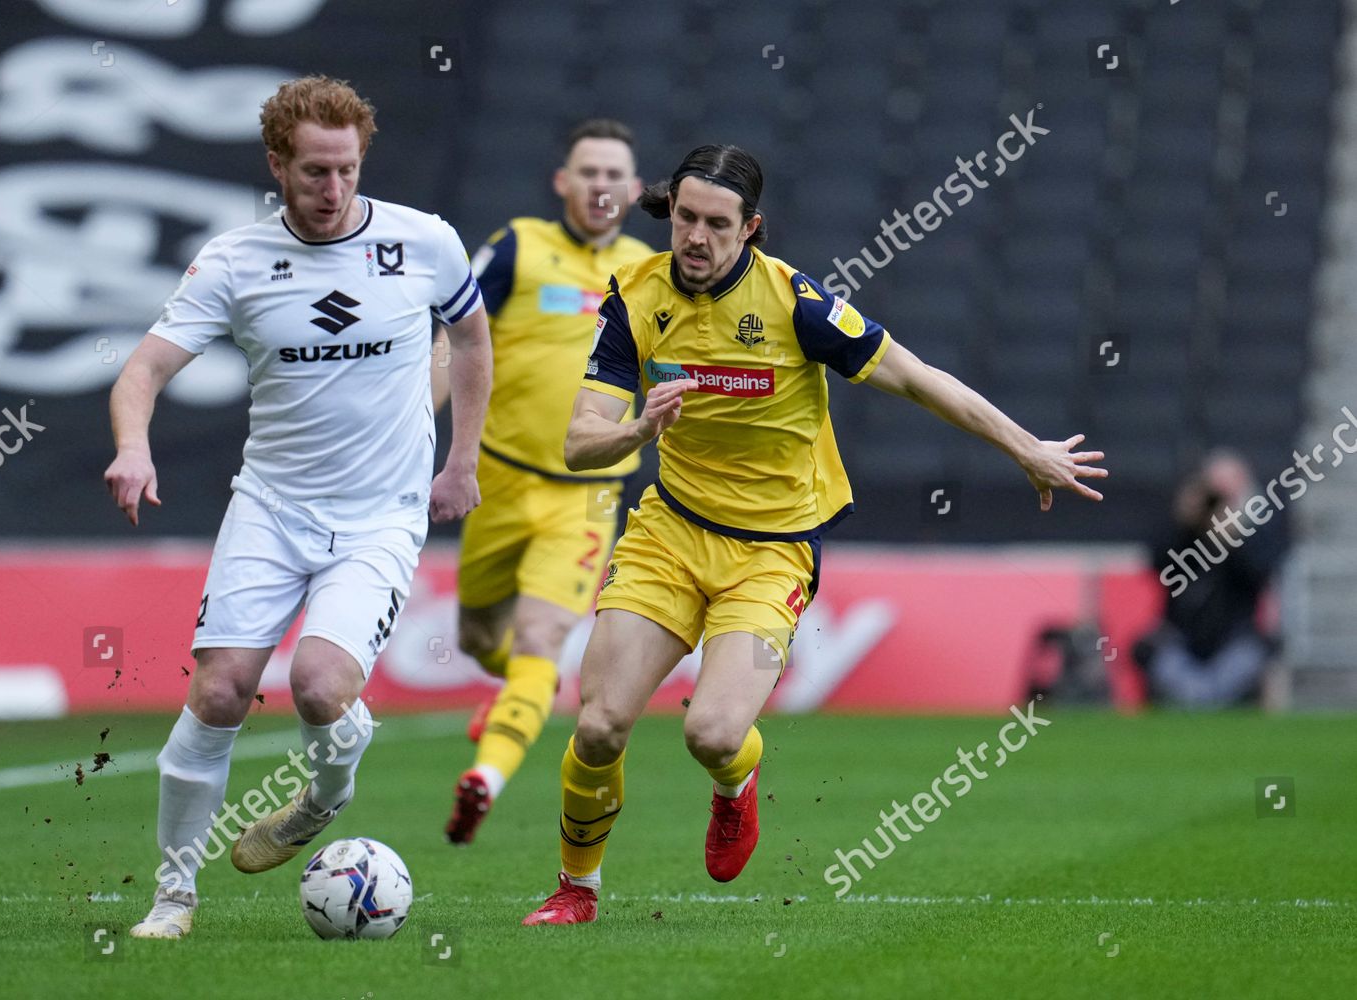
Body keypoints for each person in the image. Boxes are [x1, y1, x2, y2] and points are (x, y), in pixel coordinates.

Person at [521, 144, 1107, 925]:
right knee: (597, 725)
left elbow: (917, 377)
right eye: (685, 218)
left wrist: (1027, 449)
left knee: (712, 731)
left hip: (771, 550)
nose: (694, 238)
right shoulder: (635, 299)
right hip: (670, 532)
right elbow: (577, 441)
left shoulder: (797, 304)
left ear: (750, 228)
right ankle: (575, 890)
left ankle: (736, 784)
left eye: (716, 225)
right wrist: (638, 430)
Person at [103, 75, 491, 939]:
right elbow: (142, 371)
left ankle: (324, 795)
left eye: (347, 170)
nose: (333, 190)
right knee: (220, 691)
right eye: (314, 172)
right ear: (277, 165)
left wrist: (461, 460)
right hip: (272, 508)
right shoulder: (234, 262)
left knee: (319, 686)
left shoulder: (423, 242)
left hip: (380, 514)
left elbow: (469, 336)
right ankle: (173, 898)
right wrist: (134, 445)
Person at [432, 119, 651, 844]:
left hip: (587, 494)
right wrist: (410, 429)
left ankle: (485, 778)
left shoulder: (650, 271)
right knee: (475, 637)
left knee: (540, 639)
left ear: (636, 189)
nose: (600, 186)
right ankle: (512, 700)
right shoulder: (518, 246)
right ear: (563, 182)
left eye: (614, 174)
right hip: (497, 478)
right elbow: (453, 341)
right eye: (587, 172)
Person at [1137, 450, 1281, 706]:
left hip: (1234, 642)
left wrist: (1232, 535)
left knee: (1259, 650)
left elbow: (1260, 573)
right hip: (1184, 642)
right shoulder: (1184, 535)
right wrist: (1185, 521)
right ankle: (1196, 698)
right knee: (1149, 649)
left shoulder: (1256, 532)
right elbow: (1157, 564)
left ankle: (1207, 699)